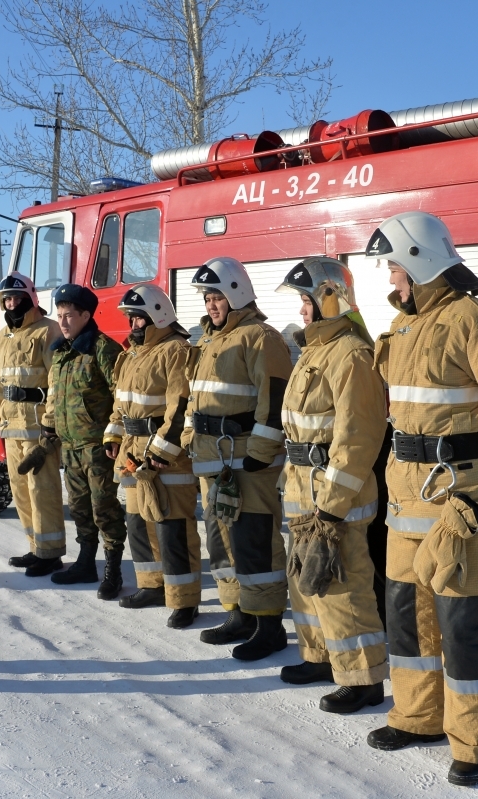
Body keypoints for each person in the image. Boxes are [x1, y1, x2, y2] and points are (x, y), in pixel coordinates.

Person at [363, 212, 478, 788]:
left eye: (394, 266)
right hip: (404, 499)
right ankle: (418, 717)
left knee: (467, 623)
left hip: (457, 502)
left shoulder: (477, 322)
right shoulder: (401, 329)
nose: (389, 278)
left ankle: (476, 742)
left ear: (419, 261)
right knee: (408, 618)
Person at [274, 257, 389, 714]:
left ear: (329, 299)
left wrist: (333, 506)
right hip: (302, 486)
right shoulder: (317, 350)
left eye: (307, 300)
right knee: (306, 579)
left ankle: (362, 679)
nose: (302, 310)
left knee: (343, 585)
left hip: (333, 495)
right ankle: (322, 658)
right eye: (301, 301)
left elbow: (358, 437)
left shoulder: (351, 354)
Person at [183, 257, 293, 660]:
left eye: (218, 297)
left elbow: (275, 398)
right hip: (214, 459)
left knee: (255, 540)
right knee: (221, 538)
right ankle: (240, 613)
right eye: (208, 298)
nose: (212, 305)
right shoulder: (209, 341)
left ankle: (269, 625)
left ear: (237, 295)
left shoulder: (260, 337)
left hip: (247, 459)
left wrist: (262, 454)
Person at [103, 284, 200, 628]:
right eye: (130, 318)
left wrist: (162, 449)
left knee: (173, 529)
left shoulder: (176, 350)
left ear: (157, 316)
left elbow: (181, 405)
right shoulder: (131, 354)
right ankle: (152, 586)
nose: (133, 325)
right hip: (132, 452)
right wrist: (113, 434)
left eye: (138, 318)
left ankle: (184, 600)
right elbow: (121, 403)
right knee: (138, 526)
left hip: (164, 457)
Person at [44, 284, 128, 599]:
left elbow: (122, 395)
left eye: (69, 316)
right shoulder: (62, 353)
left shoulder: (103, 349)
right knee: (79, 507)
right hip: (71, 446)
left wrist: (115, 434)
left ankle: (113, 571)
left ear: (86, 315)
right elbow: (56, 394)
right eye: (60, 315)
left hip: (98, 448)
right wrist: (50, 425)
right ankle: (85, 563)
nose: (63, 322)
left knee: (103, 507)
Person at [0, 272, 65, 577]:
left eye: (17, 298)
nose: (12, 303)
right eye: (6, 299)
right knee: (20, 489)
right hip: (11, 425)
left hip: (38, 427)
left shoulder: (48, 330)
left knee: (42, 488)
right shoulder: (4, 335)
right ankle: (35, 547)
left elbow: (57, 380)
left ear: (30, 299)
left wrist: (51, 423)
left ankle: (51, 553)